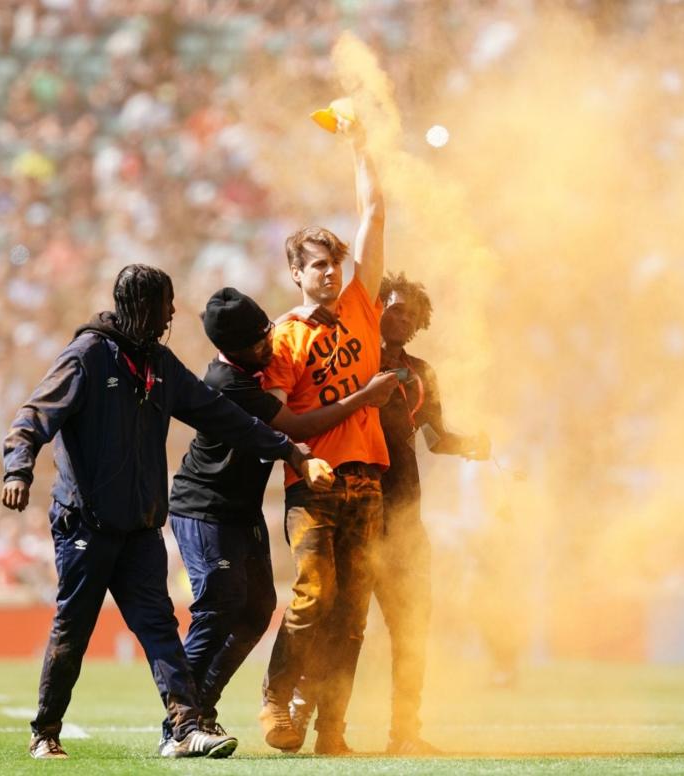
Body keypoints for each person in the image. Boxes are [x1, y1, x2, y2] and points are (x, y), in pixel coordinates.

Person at [1, 264, 331, 760]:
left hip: (140, 525)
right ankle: (45, 731)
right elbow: (33, 417)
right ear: (139, 308)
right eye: (164, 305)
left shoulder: (159, 364)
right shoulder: (87, 357)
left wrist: (287, 449)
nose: (172, 313)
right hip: (86, 525)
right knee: (74, 628)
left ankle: (184, 727)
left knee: (160, 628)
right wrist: (17, 470)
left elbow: (224, 416)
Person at [161, 287, 397, 748]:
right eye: (259, 341)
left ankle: (201, 711)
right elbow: (295, 428)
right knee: (220, 608)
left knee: (257, 612)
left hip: (240, 509)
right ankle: (179, 724)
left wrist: (303, 316)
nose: (269, 344)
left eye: (268, 331)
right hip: (204, 507)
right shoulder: (230, 384)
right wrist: (363, 397)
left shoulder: (256, 366)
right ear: (231, 349)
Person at [258, 116, 388, 755]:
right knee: (312, 597)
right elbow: (279, 420)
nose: (331, 273)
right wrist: (364, 399)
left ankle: (330, 730)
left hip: (368, 480)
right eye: (317, 266)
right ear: (296, 273)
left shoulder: (363, 303)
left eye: (335, 262)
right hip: (312, 483)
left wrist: (361, 147)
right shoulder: (286, 335)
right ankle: (277, 700)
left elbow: (376, 213)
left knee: (353, 618)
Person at [368, 272, 488, 753]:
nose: (401, 319)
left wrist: (471, 444)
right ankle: (324, 729)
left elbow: (435, 440)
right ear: (376, 308)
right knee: (343, 624)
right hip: (353, 507)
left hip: (405, 516)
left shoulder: (422, 372)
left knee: (413, 623)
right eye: (394, 308)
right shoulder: (353, 359)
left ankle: (406, 733)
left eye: (411, 315)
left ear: (420, 325)